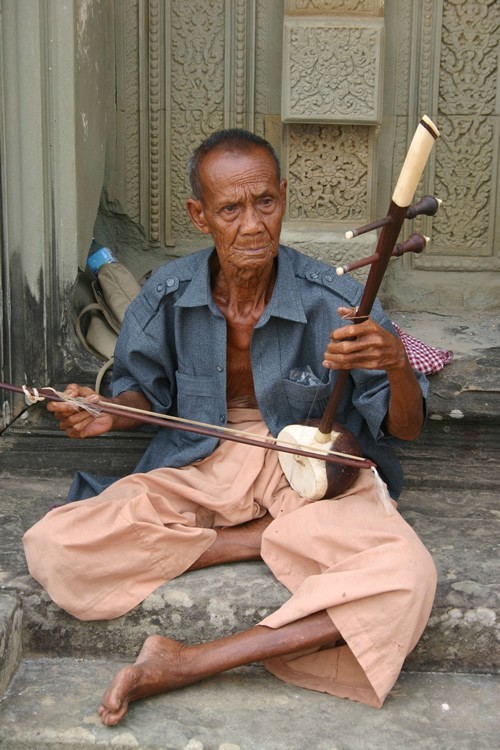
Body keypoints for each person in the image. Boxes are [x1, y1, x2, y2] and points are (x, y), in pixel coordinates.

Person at [23, 129, 437, 727]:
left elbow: (408, 429)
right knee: (53, 547)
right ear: (200, 215)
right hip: (201, 458)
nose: (252, 225)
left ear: (284, 200)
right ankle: (260, 539)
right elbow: (142, 391)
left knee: (409, 576)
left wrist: (396, 362)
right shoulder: (167, 296)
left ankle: (185, 663)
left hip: (303, 475)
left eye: (265, 202)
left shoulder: (338, 300)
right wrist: (110, 411)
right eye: (230, 209)